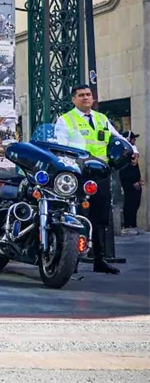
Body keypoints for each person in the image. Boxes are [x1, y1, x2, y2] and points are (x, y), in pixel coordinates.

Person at [55, 84, 138, 274]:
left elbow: (117, 138)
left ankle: (99, 259)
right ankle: (71, 259)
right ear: (74, 100)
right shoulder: (65, 120)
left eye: (88, 95)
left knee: (101, 217)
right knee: (74, 215)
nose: (86, 98)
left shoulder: (101, 119)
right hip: (79, 174)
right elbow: (61, 146)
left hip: (100, 174)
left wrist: (134, 151)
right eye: (81, 95)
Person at [119, 131, 144, 235]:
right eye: (133, 138)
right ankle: (127, 226)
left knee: (135, 203)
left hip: (135, 181)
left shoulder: (131, 149)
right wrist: (133, 181)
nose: (135, 140)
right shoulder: (126, 151)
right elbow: (133, 163)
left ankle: (133, 225)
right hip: (129, 181)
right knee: (130, 202)